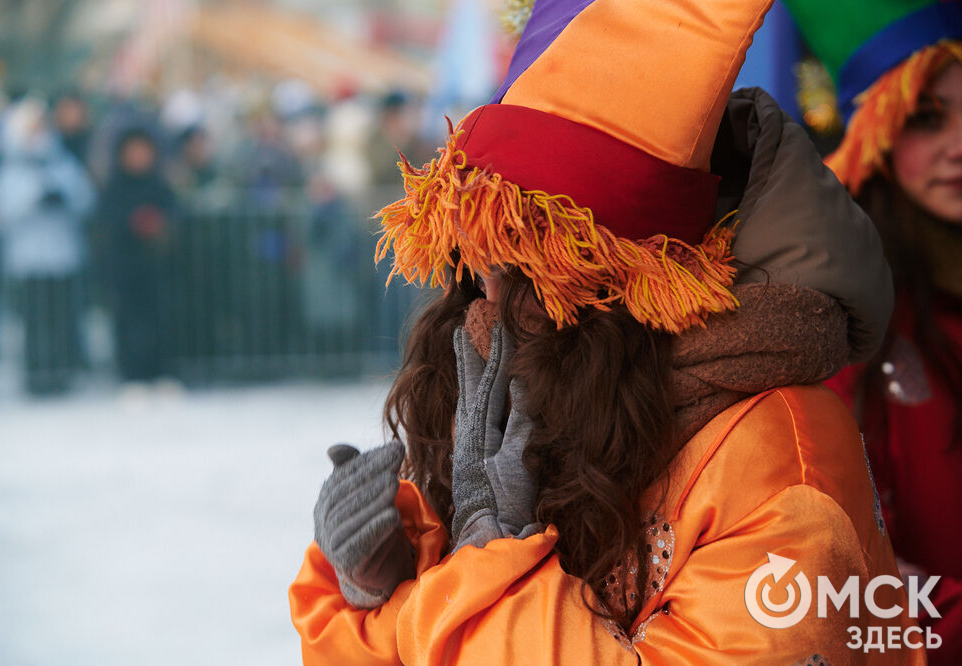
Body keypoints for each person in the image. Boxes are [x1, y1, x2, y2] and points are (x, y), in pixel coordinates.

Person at [292, 0, 923, 662]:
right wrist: (376, 582)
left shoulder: (780, 452)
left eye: (528, 263)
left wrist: (492, 562)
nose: (489, 302)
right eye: (474, 265)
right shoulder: (523, 400)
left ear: (624, 286)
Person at [783, 2, 962, 663]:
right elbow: (842, 583)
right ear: (875, 131)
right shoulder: (844, 321)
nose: (960, 143)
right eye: (927, 118)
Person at [0, 98, 95, 395]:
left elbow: (84, 198)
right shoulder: (11, 167)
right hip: (29, 259)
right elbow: (1, 208)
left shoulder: (61, 161)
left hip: (62, 255)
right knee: (35, 321)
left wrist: (62, 197)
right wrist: (33, 200)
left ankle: (63, 372)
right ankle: (37, 374)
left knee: (62, 317)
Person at [96, 127, 176, 383]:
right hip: (124, 267)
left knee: (160, 320)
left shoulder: (159, 184)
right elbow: (107, 222)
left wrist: (159, 226)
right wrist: (134, 224)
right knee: (129, 322)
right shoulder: (115, 186)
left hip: (157, 266)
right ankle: (132, 375)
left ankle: (161, 372)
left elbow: (174, 214)